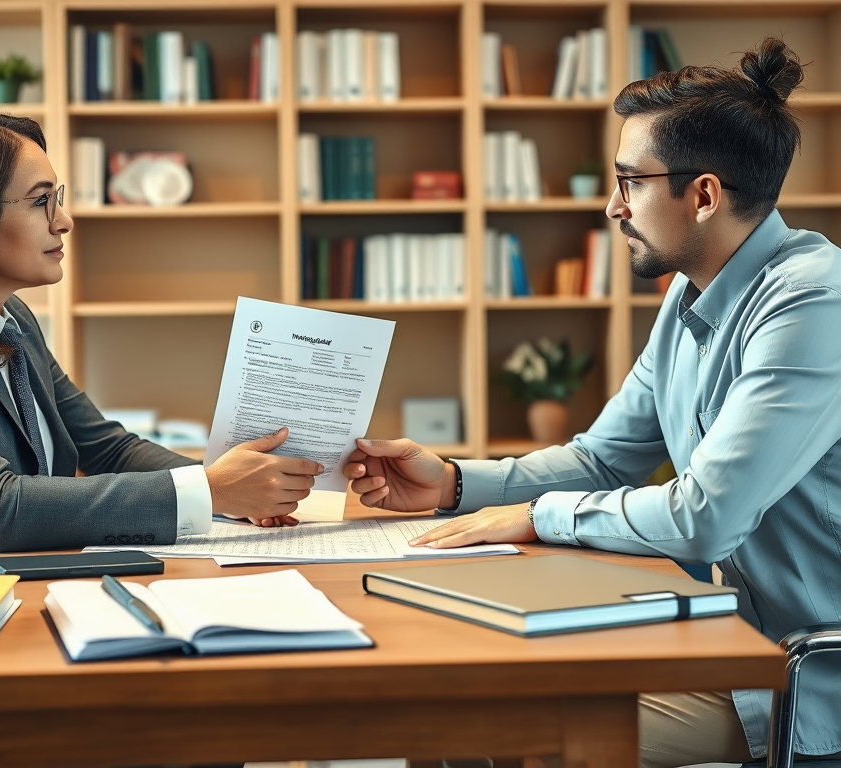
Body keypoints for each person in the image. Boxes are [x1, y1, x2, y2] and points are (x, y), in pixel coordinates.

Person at [344, 37, 841, 767]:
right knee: (450, 690)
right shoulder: (690, 297)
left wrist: (536, 516)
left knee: (500, 732)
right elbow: (603, 459)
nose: (613, 207)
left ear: (703, 195)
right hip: (722, 632)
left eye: (630, 182)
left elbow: (706, 518)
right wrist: (451, 482)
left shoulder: (813, 303)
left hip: (800, 669)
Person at [0, 112, 321, 551]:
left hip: (9, 577)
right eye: (40, 202)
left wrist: (235, 487)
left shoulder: (11, 321)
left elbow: (109, 450)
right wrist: (210, 490)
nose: (65, 221)